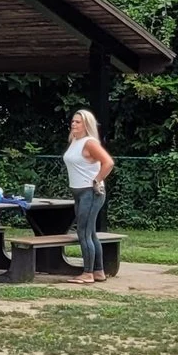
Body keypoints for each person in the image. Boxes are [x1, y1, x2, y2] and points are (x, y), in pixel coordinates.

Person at [65, 109, 115, 283]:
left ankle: (87, 273)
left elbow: (108, 162)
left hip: (90, 192)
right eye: (73, 121)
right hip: (78, 192)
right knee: (90, 233)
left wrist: (97, 180)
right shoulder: (75, 141)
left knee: (83, 232)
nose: (74, 124)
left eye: (78, 122)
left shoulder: (89, 142)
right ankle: (98, 271)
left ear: (86, 124)